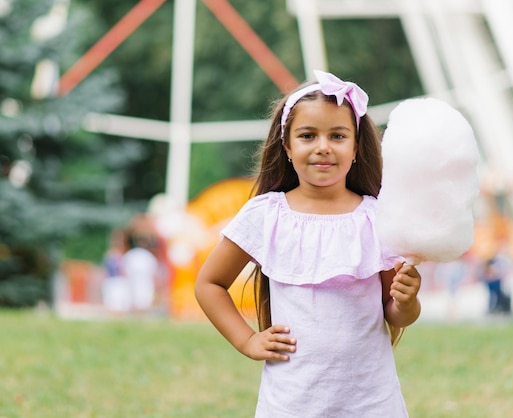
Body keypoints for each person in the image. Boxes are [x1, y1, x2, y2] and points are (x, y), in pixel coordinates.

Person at [195, 70, 422, 417]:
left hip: (371, 402)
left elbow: (395, 312)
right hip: (291, 403)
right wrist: (247, 340)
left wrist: (408, 301)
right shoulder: (267, 215)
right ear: (287, 146)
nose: (323, 147)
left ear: (356, 146)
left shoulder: (377, 219)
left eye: (337, 135)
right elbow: (209, 283)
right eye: (307, 135)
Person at [122, 233, 158, 311]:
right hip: (135, 283)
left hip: (144, 283)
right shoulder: (133, 255)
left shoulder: (147, 256)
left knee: (143, 303)